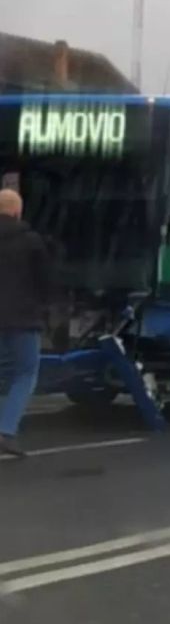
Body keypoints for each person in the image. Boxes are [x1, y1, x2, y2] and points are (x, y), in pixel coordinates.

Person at [0, 189, 51, 458]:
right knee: (25, 374)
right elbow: (44, 282)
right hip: (23, 319)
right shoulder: (31, 241)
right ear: (18, 211)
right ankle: (6, 431)